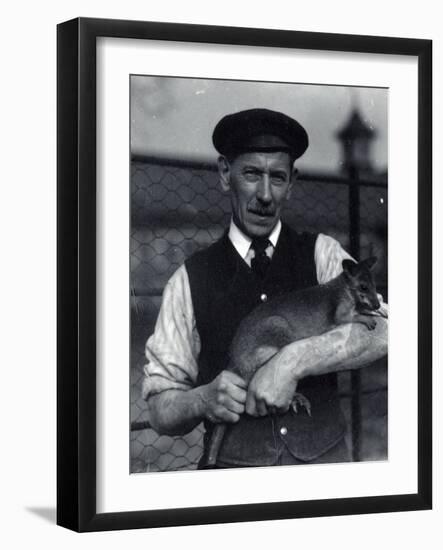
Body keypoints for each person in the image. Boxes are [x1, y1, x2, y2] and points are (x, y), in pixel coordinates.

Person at [142, 108, 388, 469]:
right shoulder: (187, 280)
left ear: (292, 183)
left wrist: (290, 362)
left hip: (324, 474)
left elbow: (384, 330)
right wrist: (201, 400)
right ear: (225, 174)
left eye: (277, 177)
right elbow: (159, 409)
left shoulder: (324, 254)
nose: (265, 194)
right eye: (252, 174)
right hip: (234, 479)